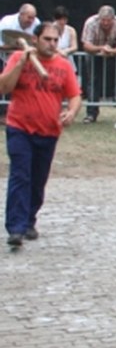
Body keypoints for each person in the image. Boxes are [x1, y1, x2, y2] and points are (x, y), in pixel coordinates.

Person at [0, 22, 81, 248]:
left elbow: (74, 95)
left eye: (56, 40)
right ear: (35, 39)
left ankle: (29, 221)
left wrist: (72, 111)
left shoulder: (63, 66)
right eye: (47, 39)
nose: (52, 44)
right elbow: (4, 87)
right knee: (20, 175)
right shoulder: (18, 57)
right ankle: (15, 228)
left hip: (48, 131)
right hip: (19, 128)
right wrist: (21, 63)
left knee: (37, 181)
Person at [81, 5, 116, 123]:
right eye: (103, 20)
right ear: (99, 18)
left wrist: (112, 51)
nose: (106, 23)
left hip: (114, 52)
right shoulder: (91, 23)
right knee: (93, 80)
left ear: (113, 19)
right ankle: (91, 114)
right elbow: (86, 45)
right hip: (94, 53)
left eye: (108, 21)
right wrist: (101, 48)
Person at [0, 3, 40, 123]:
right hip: (3, 59)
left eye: (33, 17)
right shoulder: (6, 22)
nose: (31, 20)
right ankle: (2, 114)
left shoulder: (36, 24)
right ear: (21, 14)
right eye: (29, 17)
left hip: (25, 62)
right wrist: (16, 47)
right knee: (3, 85)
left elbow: (37, 43)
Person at [52, 6, 77, 73]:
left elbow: (74, 47)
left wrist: (65, 51)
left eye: (64, 19)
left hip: (68, 63)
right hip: (53, 63)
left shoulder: (71, 30)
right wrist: (59, 51)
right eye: (60, 19)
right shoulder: (49, 29)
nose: (62, 22)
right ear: (55, 19)